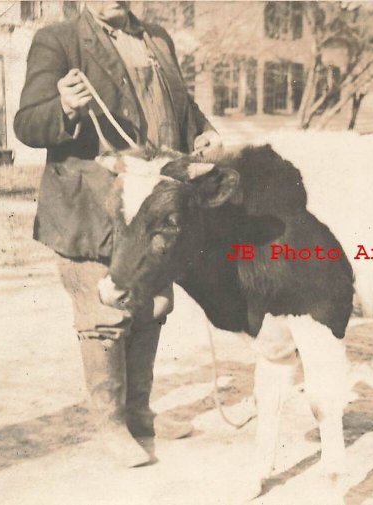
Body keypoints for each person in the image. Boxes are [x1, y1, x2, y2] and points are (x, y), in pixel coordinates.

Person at [14, 2, 222, 467]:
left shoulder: (157, 40)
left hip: (149, 208)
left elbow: (180, 108)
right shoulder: (59, 40)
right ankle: (109, 426)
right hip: (91, 207)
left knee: (150, 306)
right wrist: (64, 106)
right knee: (103, 314)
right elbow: (27, 123)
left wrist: (203, 132)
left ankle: (139, 413)